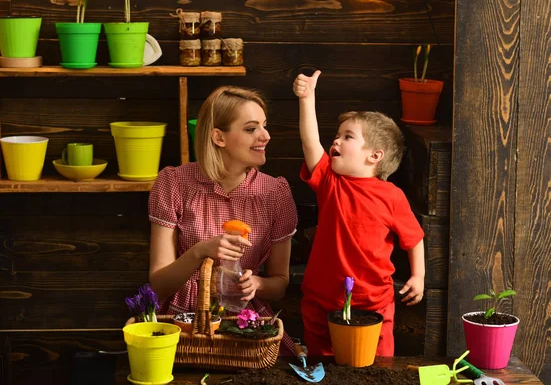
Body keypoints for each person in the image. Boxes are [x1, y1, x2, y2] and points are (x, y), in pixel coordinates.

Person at [148, 86, 298, 355]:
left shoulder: (276, 192)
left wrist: (258, 285)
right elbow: (158, 285)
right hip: (182, 324)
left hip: (245, 326)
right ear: (219, 137)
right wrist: (200, 251)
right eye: (251, 129)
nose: (266, 136)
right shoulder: (173, 183)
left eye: (264, 126)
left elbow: (280, 284)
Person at [293, 70, 426, 356]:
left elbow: (413, 238)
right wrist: (307, 99)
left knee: (377, 364)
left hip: (372, 300)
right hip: (322, 298)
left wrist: (419, 277)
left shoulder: (392, 196)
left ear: (374, 155)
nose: (336, 141)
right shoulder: (330, 181)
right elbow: (310, 143)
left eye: (348, 136)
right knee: (322, 363)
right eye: (338, 135)